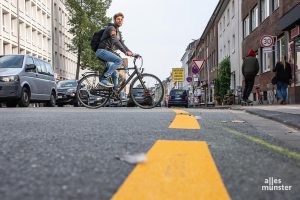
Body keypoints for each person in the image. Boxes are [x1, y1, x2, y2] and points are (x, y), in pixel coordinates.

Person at [96, 12, 134, 88]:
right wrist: (125, 52)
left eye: (121, 19)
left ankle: (115, 93)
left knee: (115, 73)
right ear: (114, 20)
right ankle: (104, 79)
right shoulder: (111, 28)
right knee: (119, 60)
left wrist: (132, 53)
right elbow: (115, 41)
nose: (120, 20)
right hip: (102, 51)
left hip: (106, 52)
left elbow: (122, 44)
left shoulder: (118, 32)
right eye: (118, 19)